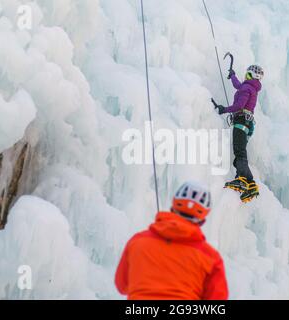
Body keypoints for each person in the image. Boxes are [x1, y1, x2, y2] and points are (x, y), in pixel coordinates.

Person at [115, 181, 228, 300]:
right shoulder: (210, 257)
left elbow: (122, 285)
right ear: (202, 219)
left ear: (173, 206)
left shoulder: (138, 241)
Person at [215, 65, 264, 203]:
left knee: (239, 151)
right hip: (247, 124)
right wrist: (232, 76)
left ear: (251, 77)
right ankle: (250, 184)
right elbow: (239, 86)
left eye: (248, 75)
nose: (245, 77)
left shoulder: (247, 88)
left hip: (241, 121)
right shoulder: (250, 87)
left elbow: (239, 106)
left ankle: (242, 179)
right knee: (240, 151)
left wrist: (224, 109)